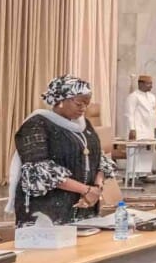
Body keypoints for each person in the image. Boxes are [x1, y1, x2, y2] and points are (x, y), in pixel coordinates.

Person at [9, 75, 116, 225]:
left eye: (86, 104)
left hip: (85, 206)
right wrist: (86, 190)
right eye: (79, 103)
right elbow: (40, 171)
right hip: (48, 210)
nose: (83, 108)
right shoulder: (36, 125)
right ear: (60, 100)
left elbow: (99, 159)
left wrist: (96, 188)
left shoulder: (85, 125)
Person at [124, 74, 156, 179]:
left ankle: (143, 174)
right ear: (140, 84)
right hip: (137, 129)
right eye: (149, 84)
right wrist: (132, 129)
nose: (151, 86)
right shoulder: (133, 96)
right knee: (135, 152)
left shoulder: (152, 97)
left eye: (151, 84)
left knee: (146, 152)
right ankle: (132, 176)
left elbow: (154, 113)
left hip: (149, 129)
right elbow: (129, 114)